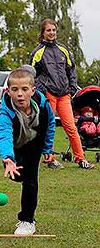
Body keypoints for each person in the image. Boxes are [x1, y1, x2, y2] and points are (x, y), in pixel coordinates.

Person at [0, 68, 55, 235]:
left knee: (30, 180)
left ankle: (27, 220)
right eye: (15, 90)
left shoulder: (43, 104)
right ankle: (16, 168)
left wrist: (48, 148)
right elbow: (4, 135)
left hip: (35, 143)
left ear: (32, 90)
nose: (20, 94)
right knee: (17, 175)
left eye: (24, 89)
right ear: (8, 91)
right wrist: (8, 158)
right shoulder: (5, 111)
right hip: (15, 146)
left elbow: (50, 124)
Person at [29, 18, 94, 170]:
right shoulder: (38, 52)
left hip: (64, 94)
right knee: (48, 126)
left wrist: (71, 88)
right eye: (48, 30)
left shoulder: (63, 50)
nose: (51, 33)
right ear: (43, 33)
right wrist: (42, 90)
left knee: (71, 126)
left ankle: (81, 159)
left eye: (53, 30)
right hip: (48, 94)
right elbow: (31, 74)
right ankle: (50, 158)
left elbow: (71, 70)